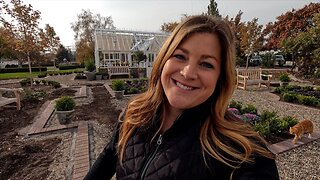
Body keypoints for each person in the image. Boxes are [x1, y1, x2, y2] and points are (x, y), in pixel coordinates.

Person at [84, 15, 279, 180]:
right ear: (163, 61)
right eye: (180, 56)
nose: (188, 73)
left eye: (207, 64)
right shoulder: (134, 114)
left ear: (221, 77)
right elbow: (107, 158)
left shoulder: (244, 151)